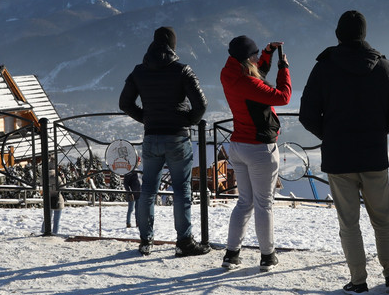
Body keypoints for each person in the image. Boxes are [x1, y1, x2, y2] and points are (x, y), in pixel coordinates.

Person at [299, 10, 389, 295]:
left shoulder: (324, 67)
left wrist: (331, 135)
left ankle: (358, 281)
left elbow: (307, 114)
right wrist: (376, 130)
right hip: (373, 155)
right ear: (364, 34)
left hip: (339, 158)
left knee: (349, 222)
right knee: (383, 219)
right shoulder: (383, 66)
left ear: (338, 34)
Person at [119, 26, 210, 257]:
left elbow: (124, 103)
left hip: (151, 138)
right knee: (181, 190)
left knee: (148, 189)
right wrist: (187, 120)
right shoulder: (182, 70)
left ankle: (145, 240)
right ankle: (184, 242)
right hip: (178, 138)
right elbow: (201, 105)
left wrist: (146, 118)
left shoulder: (139, 71)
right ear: (173, 46)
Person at [219, 35, 291, 272]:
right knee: (264, 204)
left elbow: (255, 71)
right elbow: (283, 96)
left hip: (237, 146)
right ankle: (268, 256)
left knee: (244, 202)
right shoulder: (248, 84)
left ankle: (231, 255)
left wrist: (268, 54)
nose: (258, 57)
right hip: (259, 148)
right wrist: (284, 69)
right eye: (256, 54)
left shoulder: (229, 74)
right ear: (247, 58)